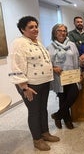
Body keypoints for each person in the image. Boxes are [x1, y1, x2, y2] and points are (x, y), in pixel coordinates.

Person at [9, 16, 59, 151]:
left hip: (43, 82)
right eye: (31, 27)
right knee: (34, 112)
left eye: (36, 26)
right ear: (22, 29)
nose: (35, 29)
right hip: (30, 85)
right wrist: (24, 88)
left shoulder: (37, 42)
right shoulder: (19, 43)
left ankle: (45, 133)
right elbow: (16, 66)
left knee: (43, 109)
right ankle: (37, 139)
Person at [47, 24, 80, 130]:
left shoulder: (72, 45)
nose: (62, 33)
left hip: (71, 76)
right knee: (63, 98)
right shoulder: (50, 47)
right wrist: (53, 68)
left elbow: (76, 60)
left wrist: (78, 73)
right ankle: (67, 119)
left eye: (64, 30)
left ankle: (58, 115)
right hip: (59, 76)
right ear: (54, 33)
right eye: (59, 30)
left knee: (74, 94)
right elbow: (46, 63)